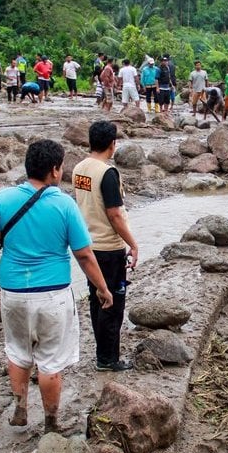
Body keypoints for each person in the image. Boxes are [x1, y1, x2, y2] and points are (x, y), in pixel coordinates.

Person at [0, 139, 113, 430]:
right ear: (55, 170)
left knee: (18, 352)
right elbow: (83, 254)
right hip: (53, 295)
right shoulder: (64, 204)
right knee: (51, 361)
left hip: (13, 293)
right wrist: (102, 288)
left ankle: (20, 409)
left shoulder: (3, 199)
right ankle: (51, 421)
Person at [72, 121, 139, 372]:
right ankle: (108, 359)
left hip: (88, 246)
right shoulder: (107, 173)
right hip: (109, 248)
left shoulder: (79, 169)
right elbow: (115, 215)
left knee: (96, 299)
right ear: (112, 144)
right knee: (113, 302)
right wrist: (132, 244)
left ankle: (102, 353)